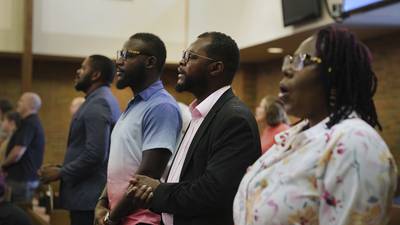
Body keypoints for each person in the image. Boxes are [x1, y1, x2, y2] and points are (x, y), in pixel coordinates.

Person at [233, 26, 397, 225]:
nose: (287, 69)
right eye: (290, 60)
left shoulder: (355, 143)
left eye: (303, 60)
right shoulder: (295, 136)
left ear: (335, 75)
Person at [129, 31, 261, 225]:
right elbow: (187, 176)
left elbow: (213, 191)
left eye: (190, 57)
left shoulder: (234, 119)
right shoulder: (201, 113)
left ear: (215, 68)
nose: (181, 62)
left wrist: (157, 191)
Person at [94, 33, 182, 225]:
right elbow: (120, 166)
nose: (119, 61)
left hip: (143, 220)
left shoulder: (160, 106)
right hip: (120, 216)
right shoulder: (135, 105)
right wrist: (102, 202)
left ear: (150, 62)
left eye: (127, 55)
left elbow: (147, 175)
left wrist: (111, 217)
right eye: (120, 54)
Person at [39, 55, 121, 225]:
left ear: (95, 75)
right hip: (86, 197)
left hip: (89, 199)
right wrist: (61, 168)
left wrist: (61, 173)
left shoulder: (99, 103)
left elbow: (96, 154)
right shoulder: (97, 100)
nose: (78, 71)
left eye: (83, 68)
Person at [1, 92, 45, 204]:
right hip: (22, 180)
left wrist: (3, 165)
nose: (18, 103)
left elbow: (17, 153)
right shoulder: (29, 122)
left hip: (21, 180)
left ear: (30, 105)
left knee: (18, 214)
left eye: (21, 101)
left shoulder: (29, 123)